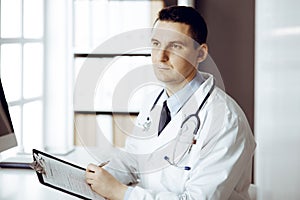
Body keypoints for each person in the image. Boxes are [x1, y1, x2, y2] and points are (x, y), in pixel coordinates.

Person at [85, 5, 256, 200]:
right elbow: (135, 160)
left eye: (175, 46)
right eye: (156, 43)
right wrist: (99, 178)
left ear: (200, 54)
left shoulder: (225, 120)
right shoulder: (154, 100)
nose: (160, 56)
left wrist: (120, 193)